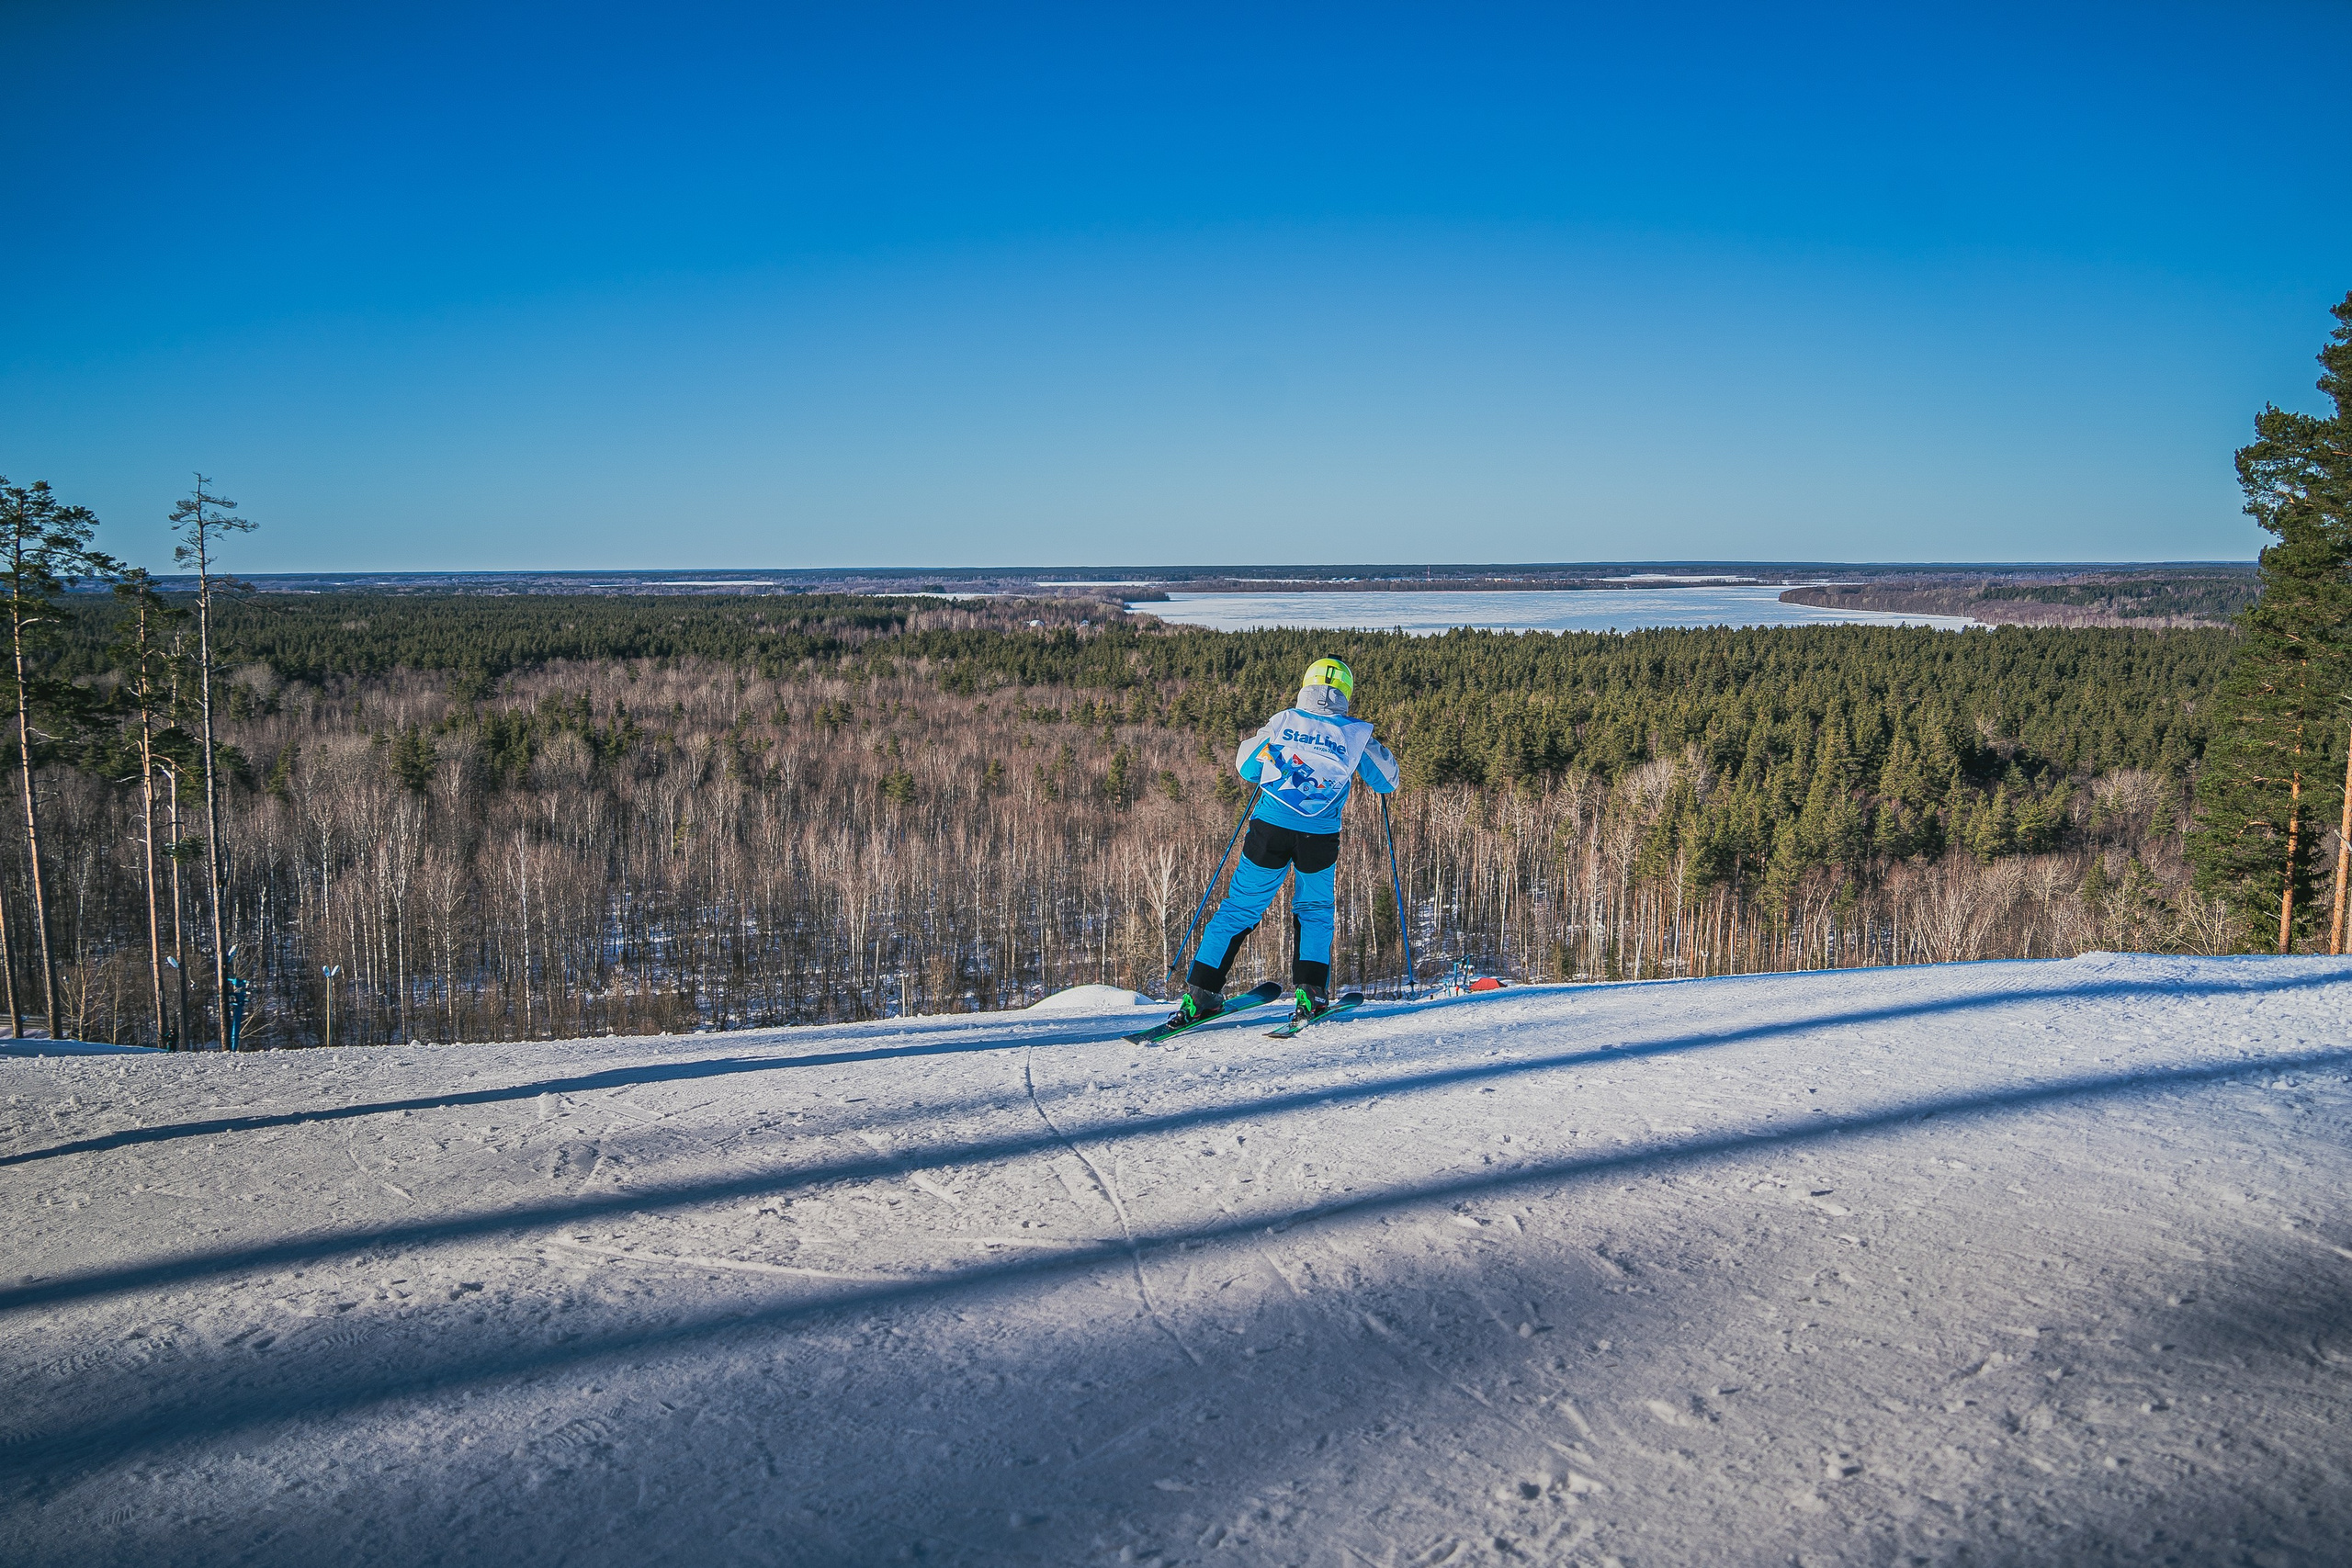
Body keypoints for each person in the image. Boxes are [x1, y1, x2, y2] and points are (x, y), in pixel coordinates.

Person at [1170, 657, 1400, 1031]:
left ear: (1306, 685)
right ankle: (1310, 993)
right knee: (1314, 910)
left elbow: (1246, 767)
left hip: (1269, 829)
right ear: (1346, 691)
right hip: (1319, 837)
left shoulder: (1283, 722)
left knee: (1240, 908)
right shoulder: (1356, 734)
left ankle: (1200, 994)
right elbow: (1388, 781)